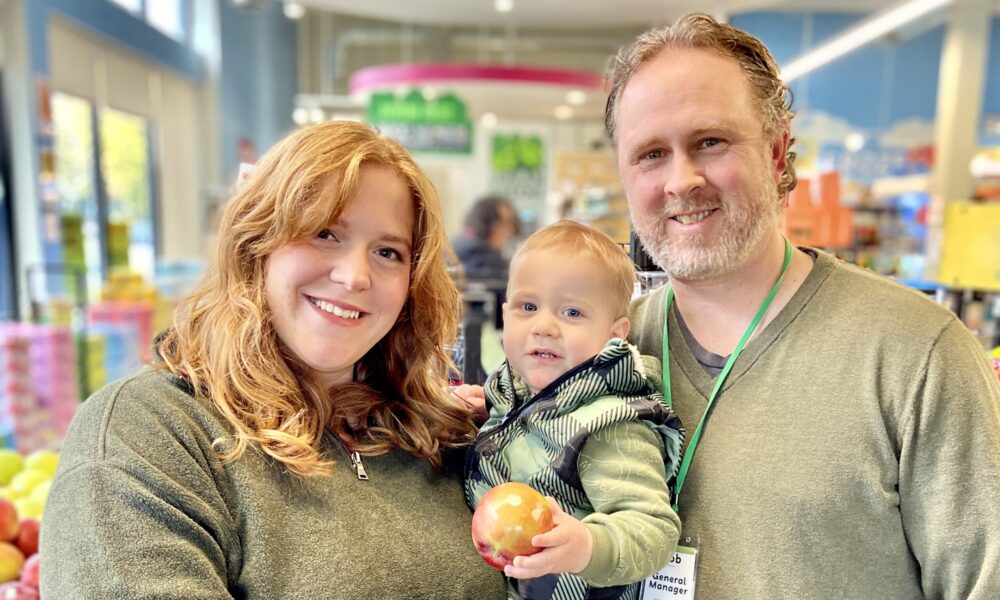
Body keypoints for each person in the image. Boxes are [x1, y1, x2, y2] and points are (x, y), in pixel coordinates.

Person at [607, 13, 1000, 599]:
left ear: (776, 151)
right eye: (650, 154)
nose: (681, 180)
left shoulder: (916, 355)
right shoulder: (606, 353)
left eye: (710, 142)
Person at [40, 121, 506, 599]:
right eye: (325, 233)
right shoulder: (149, 432)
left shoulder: (437, 434)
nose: (355, 276)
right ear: (255, 242)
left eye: (388, 251)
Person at [465, 220, 685, 600]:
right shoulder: (513, 391)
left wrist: (585, 546)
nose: (544, 326)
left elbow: (652, 530)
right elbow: (533, 420)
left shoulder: (610, 426)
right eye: (528, 306)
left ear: (614, 335)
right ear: (505, 314)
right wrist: (486, 407)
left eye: (571, 313)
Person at [451, 194, 520, 280]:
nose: (511, 230)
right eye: (505, 223)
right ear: (487, 223)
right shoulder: (482, 257)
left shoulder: (458, 241)